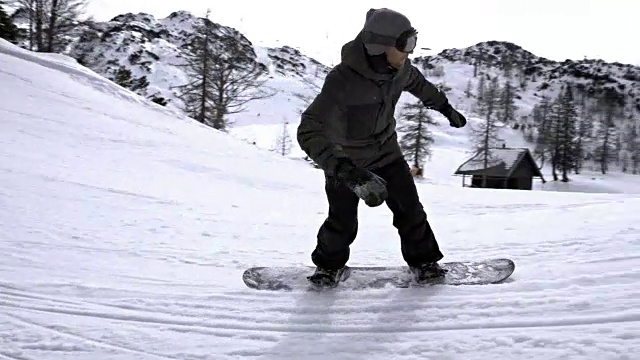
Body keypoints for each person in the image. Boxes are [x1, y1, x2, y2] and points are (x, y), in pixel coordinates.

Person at [296, 7, 467, 286]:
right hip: (346, 162)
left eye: (412, 43)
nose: (409, 52)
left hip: (387, 153)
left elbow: (421, 86)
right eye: (404, 45)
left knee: (410, 209)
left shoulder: (400, 70)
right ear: (379, 46)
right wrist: (345, 170)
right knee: (342, 220)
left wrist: (445, 108)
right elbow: (308, 130)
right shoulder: (342, 80)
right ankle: (328, 267)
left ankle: (424, 262)